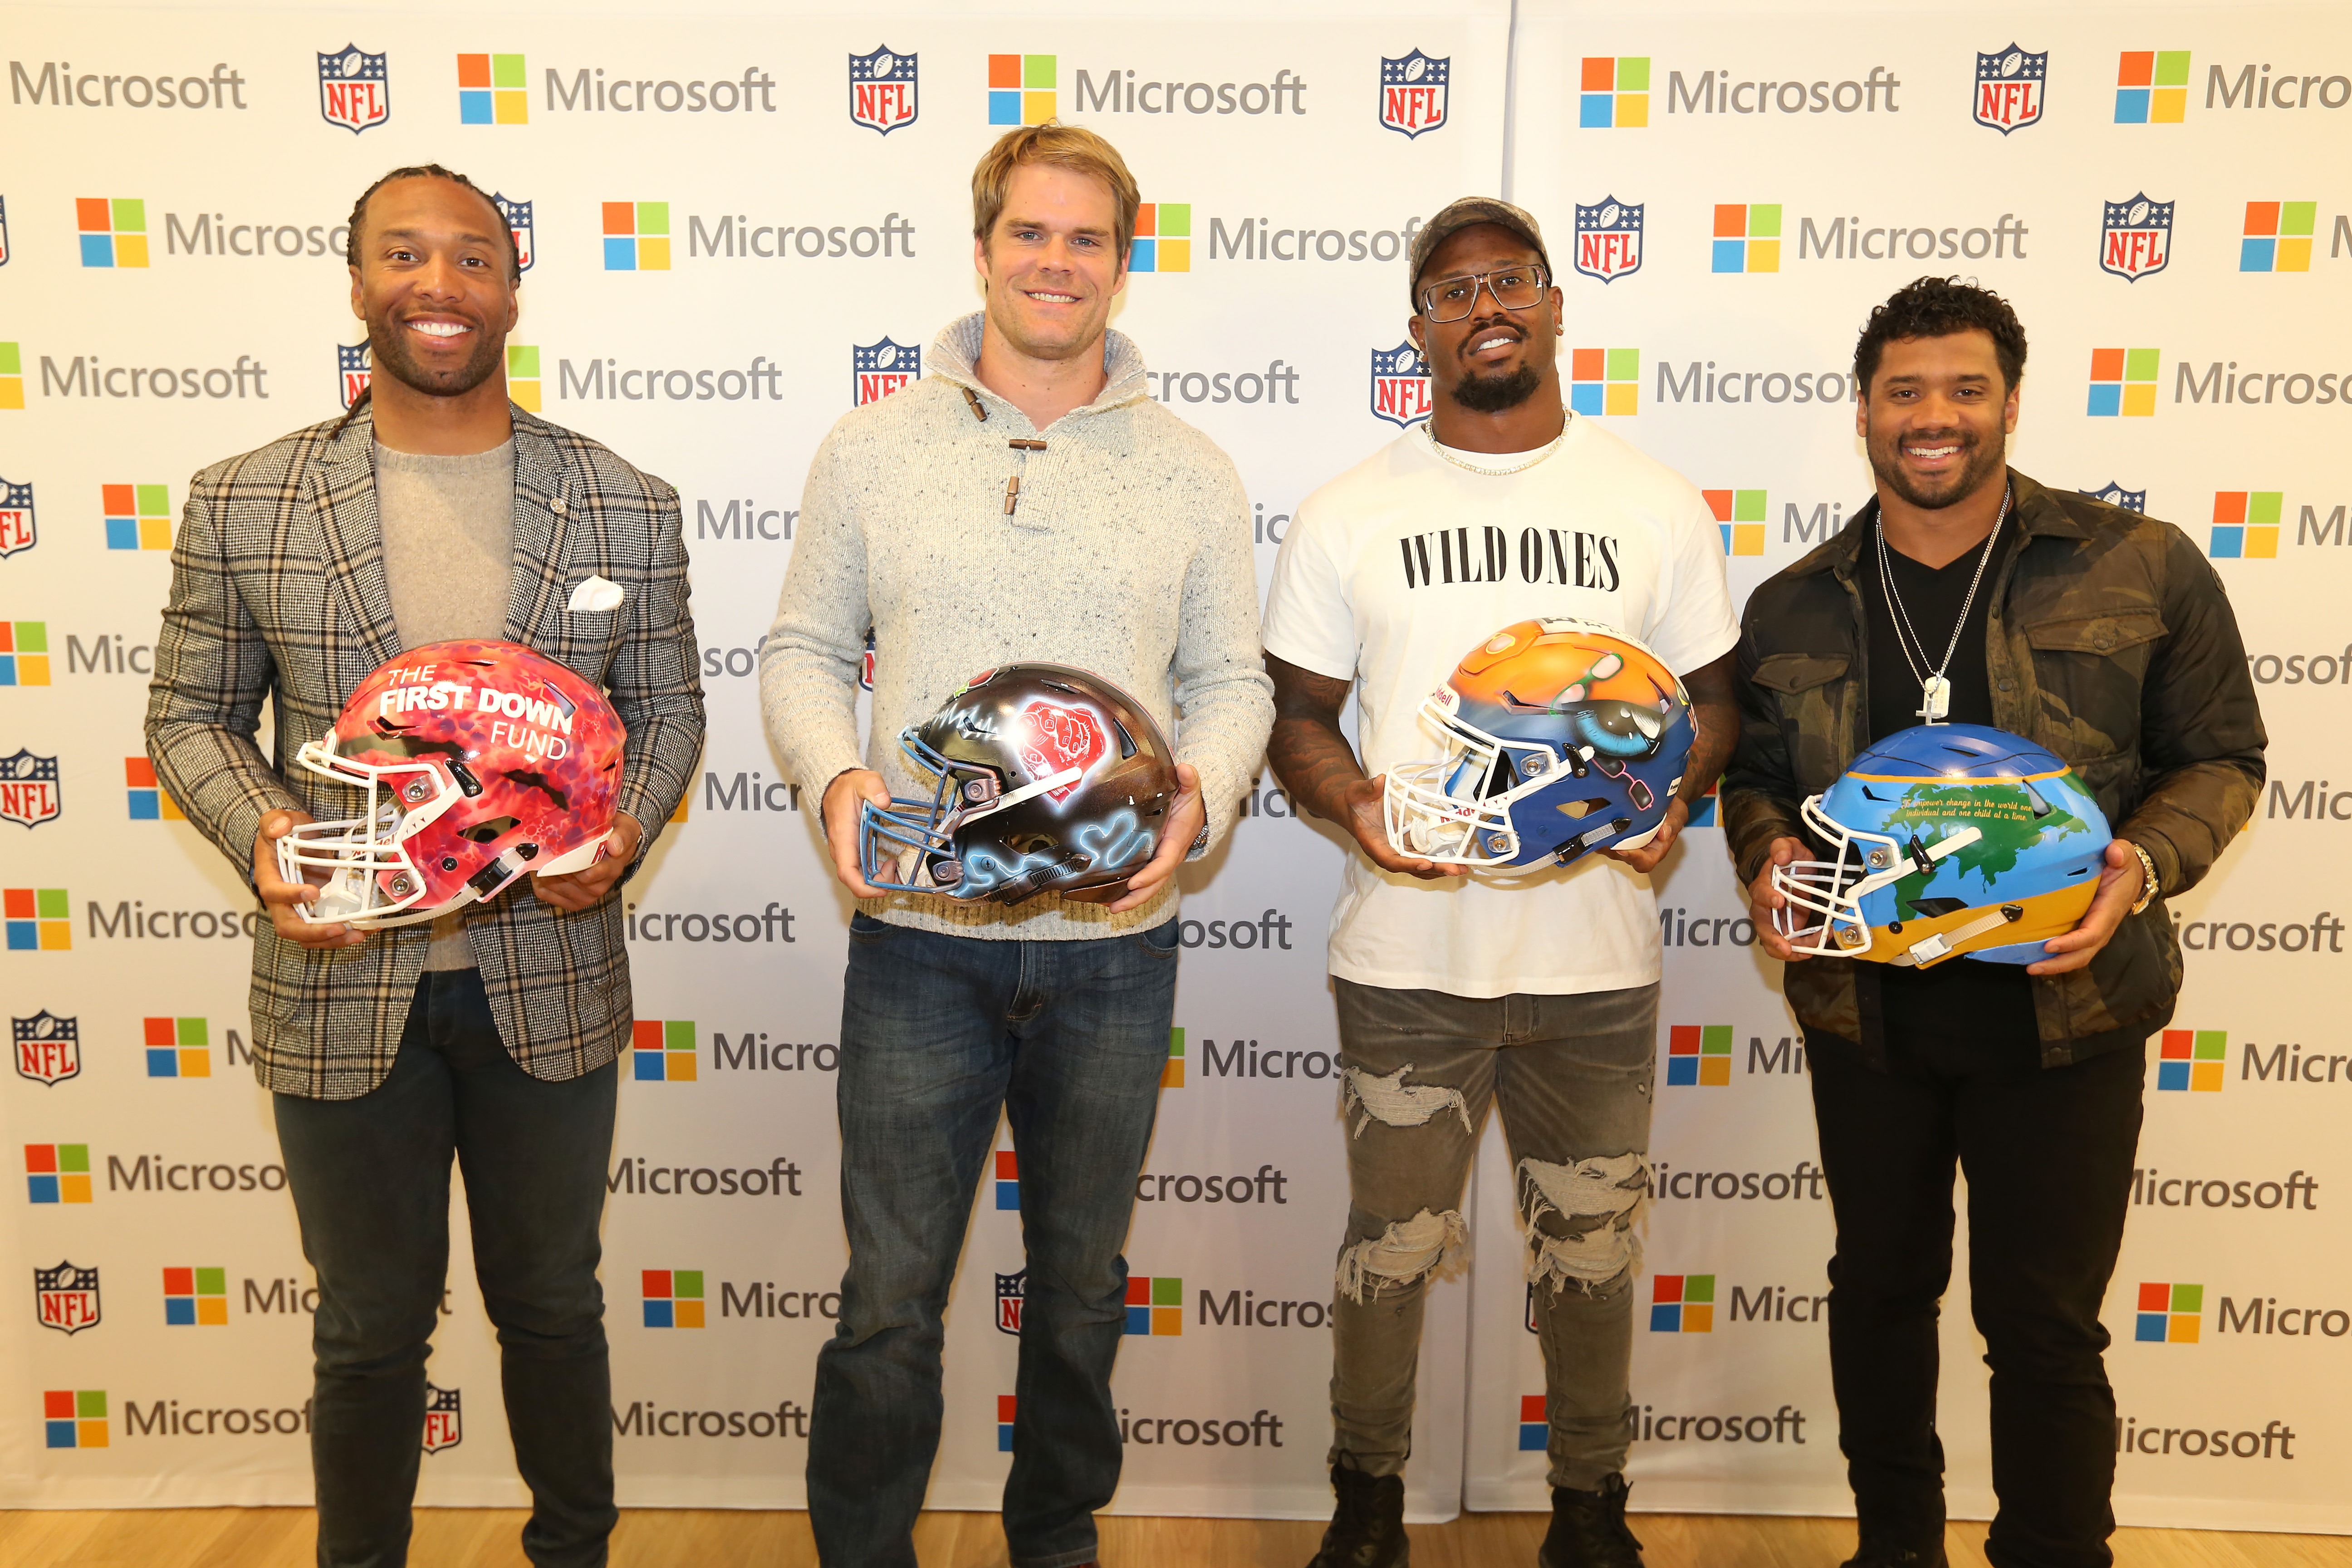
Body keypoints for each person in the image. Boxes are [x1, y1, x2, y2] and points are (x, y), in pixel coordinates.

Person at [145, 163, 704, 1568]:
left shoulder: (623, 502)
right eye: (405, 255)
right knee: (369, 1327)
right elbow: (189, 716)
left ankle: (573, 1551)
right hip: (341, 980)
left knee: (554, 1306)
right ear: (356, 283)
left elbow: (669, 710)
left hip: (549, 976)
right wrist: (266, 832)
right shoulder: (247, 499)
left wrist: (622, 827)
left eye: (471, 259)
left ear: (514, 292)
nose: (438, 286)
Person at [759, 122, 1274, 1568]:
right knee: (890, 1300)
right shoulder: (872, 446)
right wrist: (835, 781)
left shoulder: (1194, 470)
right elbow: (805, 647)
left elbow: (1232, 683)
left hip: (1114, 951)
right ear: (982, 248)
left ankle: (1056, 1545)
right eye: (1029, 235)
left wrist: (1206, 792)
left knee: (1083, 1291)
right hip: (921, 944)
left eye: (1087, 239)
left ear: (1125, 260)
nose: (1057, 262)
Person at [1722, 277, 2265, 1568]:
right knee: (1879, 1298)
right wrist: (1764, 859)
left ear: (2011, 402)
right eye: (1905, 390)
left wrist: (2137, 862)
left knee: (2044, 1328)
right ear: (1864, 410)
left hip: (2069, 1013)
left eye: (1966, 388)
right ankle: (1894, 1549)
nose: (1935, 416)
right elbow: (1754, 781)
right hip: (1871, 1012)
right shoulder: (1794, 601)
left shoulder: (2140, 564)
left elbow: (2224, 758)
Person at [1260, 197, 1740, 1568]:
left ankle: (1592, 1511)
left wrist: (1675, 797)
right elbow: (1297, 713)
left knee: (1590, 1260)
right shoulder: (1354, 510)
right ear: (1419, 329)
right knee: (1388, 1256)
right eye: (1455, 289)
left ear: (1554, 305)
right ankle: (1367, 1507)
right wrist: (1352, 799)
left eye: (1511, 281)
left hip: (1596, 962)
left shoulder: (1650, 500)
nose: (1488, 307)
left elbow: (1713, 701)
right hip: (1409, 960)